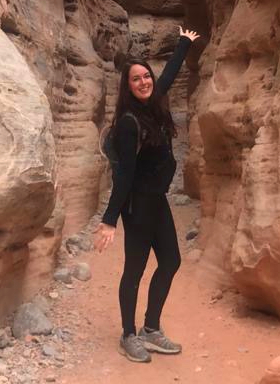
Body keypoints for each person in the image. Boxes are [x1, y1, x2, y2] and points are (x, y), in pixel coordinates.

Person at [94, 25, 201, 363]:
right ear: (127, 87)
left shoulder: (155, 106)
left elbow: (168, 76)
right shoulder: (128, 123)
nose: (144, 81)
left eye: (146, 76)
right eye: (136, 79)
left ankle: (151, 329)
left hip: (157, 200)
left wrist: (184, 43)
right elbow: (123, 173)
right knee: (135, 270)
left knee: (171, 261)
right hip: (137, 205)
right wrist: (109, 219)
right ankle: (129, 334)